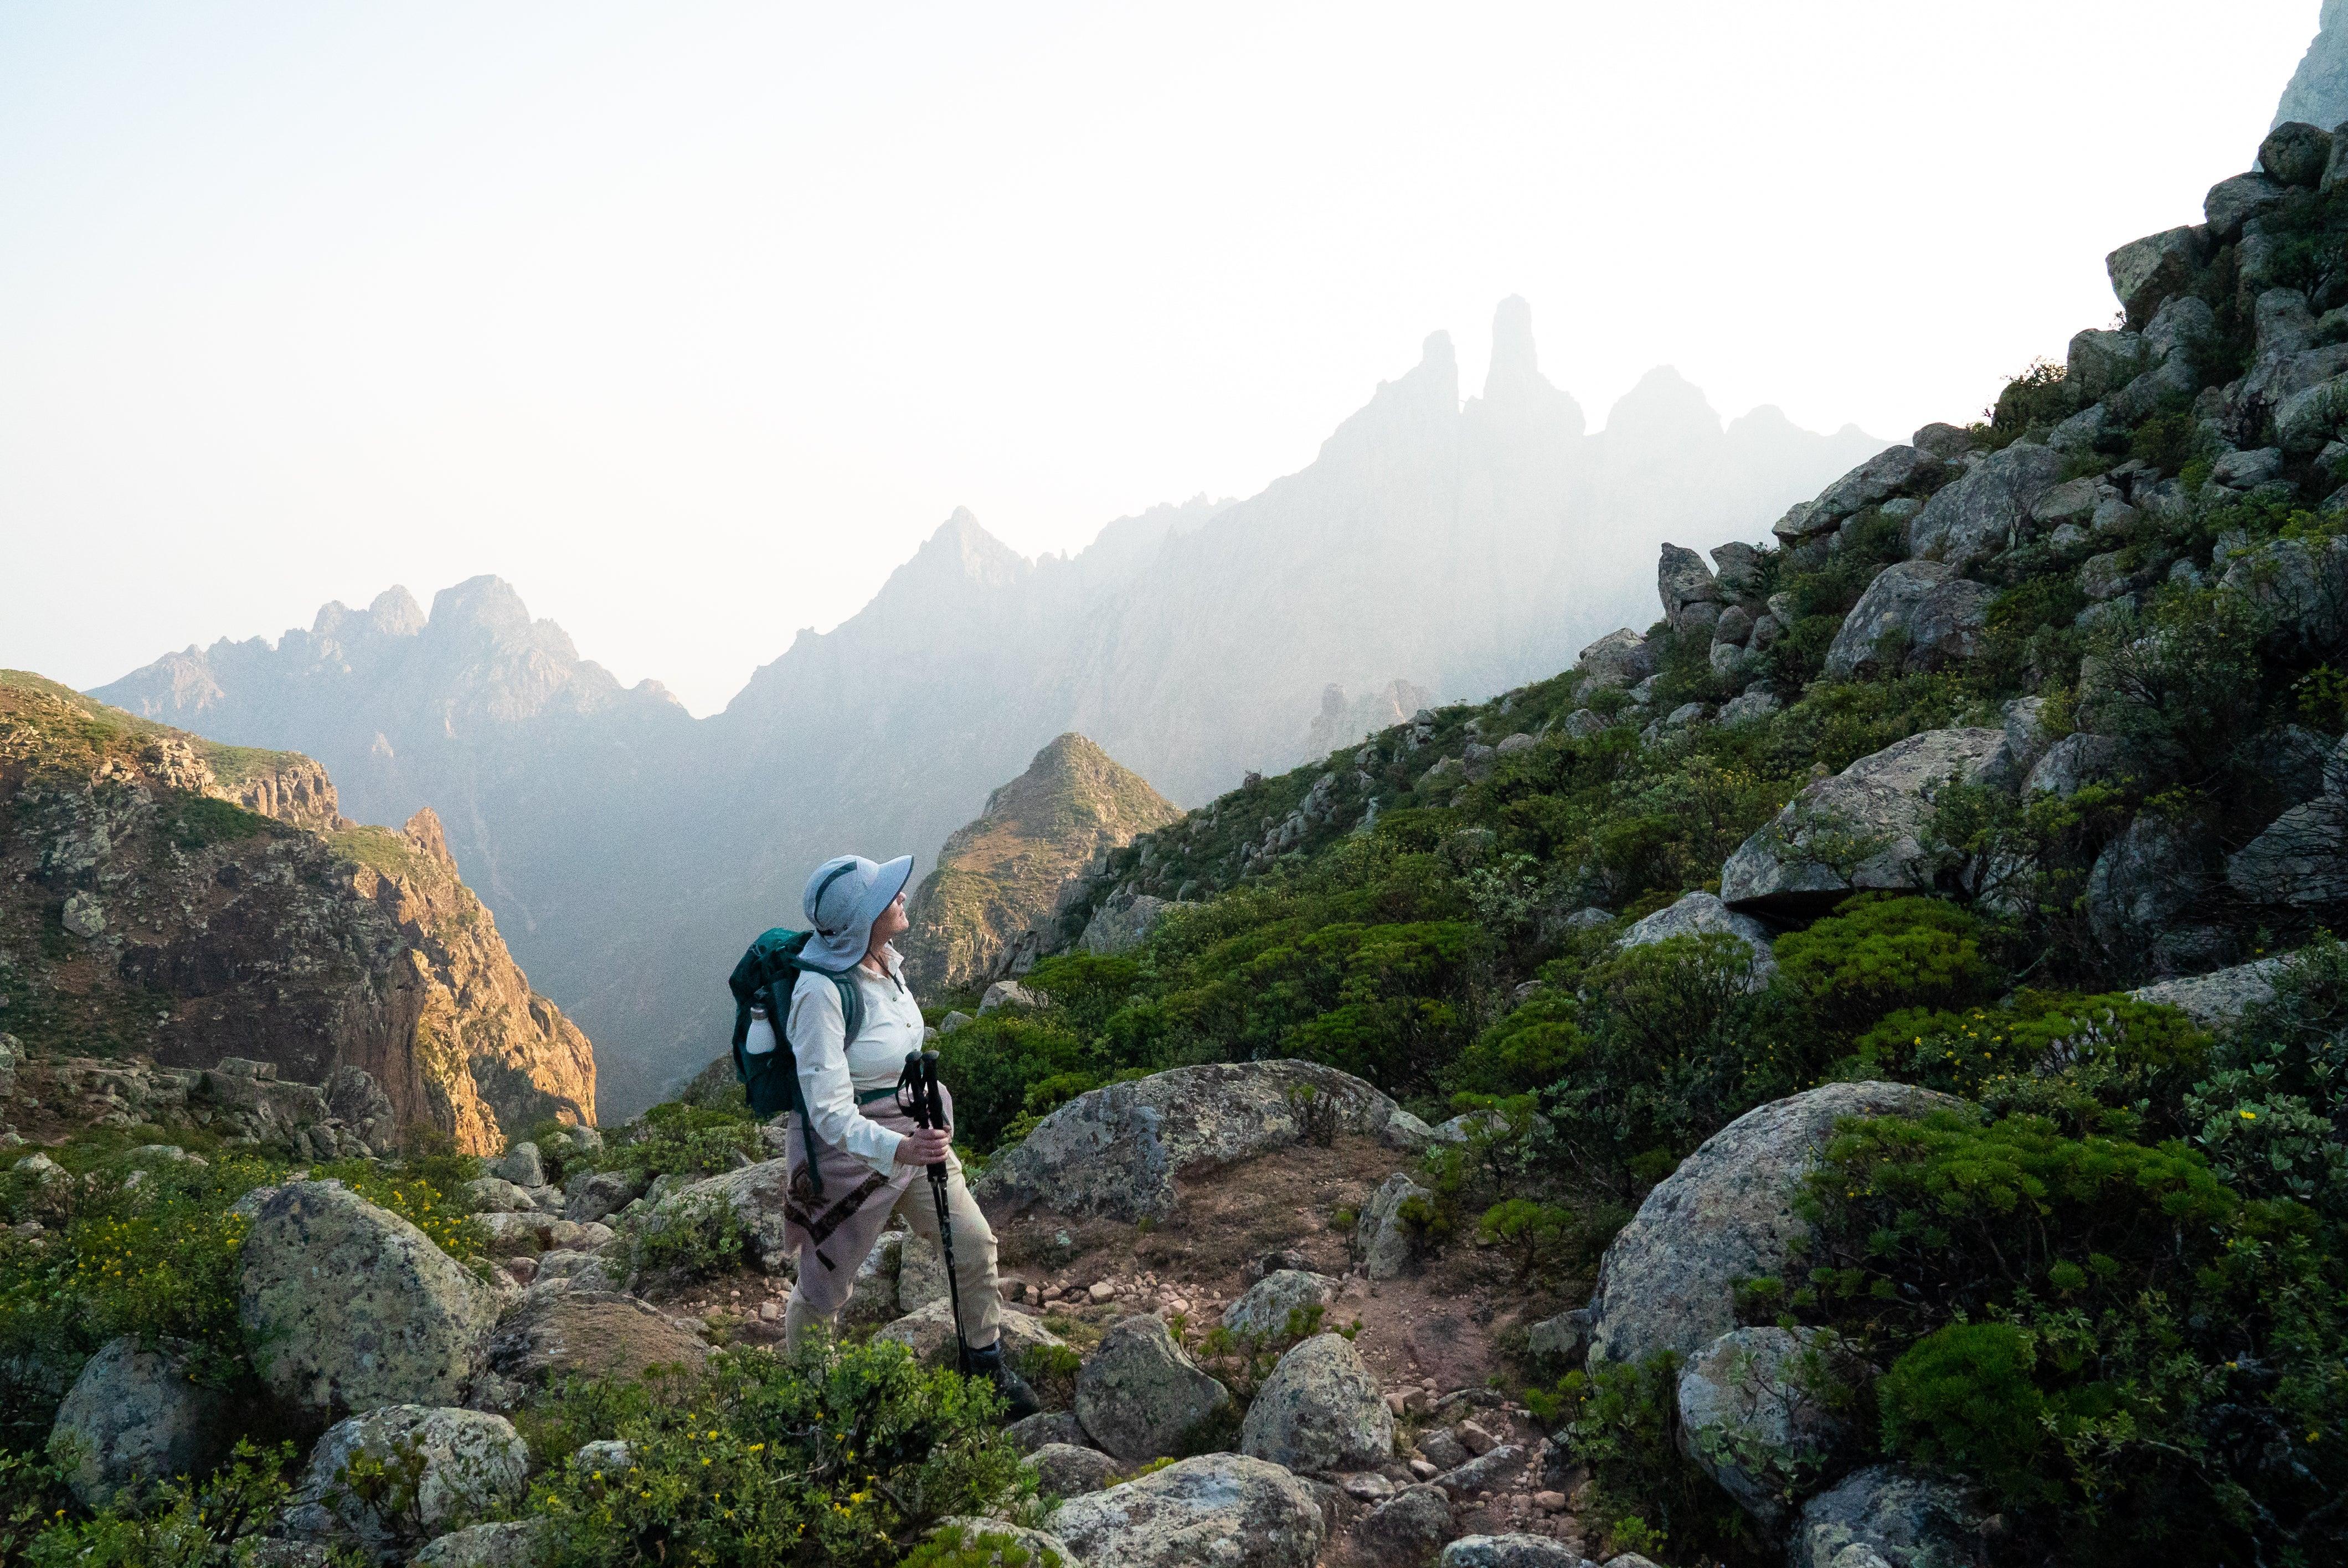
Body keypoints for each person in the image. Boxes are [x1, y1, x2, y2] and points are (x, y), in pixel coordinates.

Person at [754, 852, 1039, 1416]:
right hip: (848, 1153)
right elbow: (829, 1110)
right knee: (824, 1284)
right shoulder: (821, 995)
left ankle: (983, 1363)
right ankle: (810, 1397)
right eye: (889, 894)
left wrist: (915, 1133)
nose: (902, 896)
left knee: (975, 1244)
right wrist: (897, 1148)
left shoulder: (885, 960)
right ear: (861, 919)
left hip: (916, 1129)